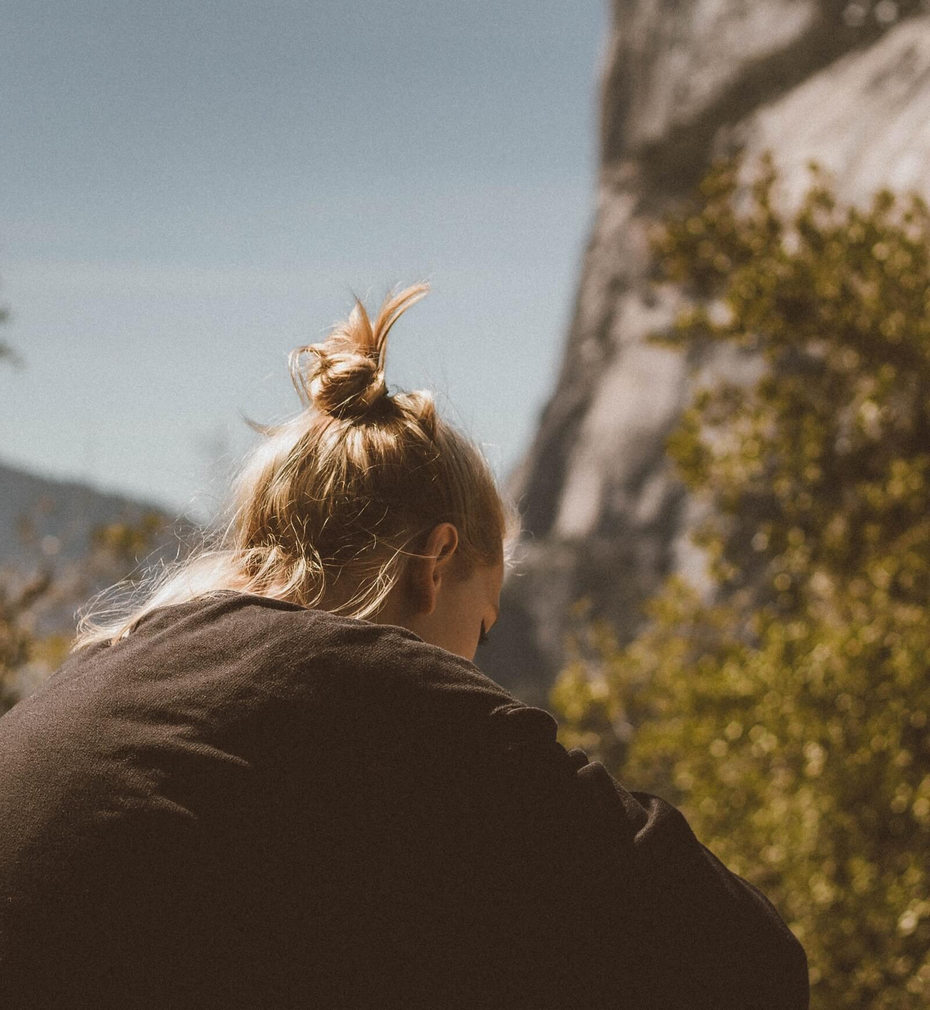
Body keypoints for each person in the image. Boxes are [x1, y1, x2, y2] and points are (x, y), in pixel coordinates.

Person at [0, 283, 809, 1009]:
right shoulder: (384, 684)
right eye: (480, 626)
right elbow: (748, 965)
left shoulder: (109, 674)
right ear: (434, 562)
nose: (472, 664)